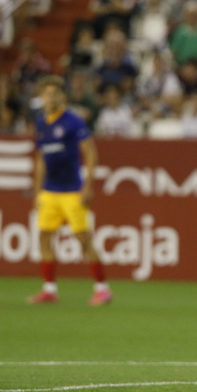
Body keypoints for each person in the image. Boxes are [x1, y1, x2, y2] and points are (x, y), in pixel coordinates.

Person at [28, 76, 113, 307]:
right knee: (44, 237)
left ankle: (102, 289)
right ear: (41, 96)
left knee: (83, 239)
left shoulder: (73, 122)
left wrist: (88, 186)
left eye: (55, 93)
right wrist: (37, 191)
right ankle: (49, 290)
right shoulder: (41, 122)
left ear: (62, 96)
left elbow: (91, 152)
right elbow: (41, 158)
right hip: (49, 192)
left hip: (72, 191)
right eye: (47, 93)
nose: (51, 97)